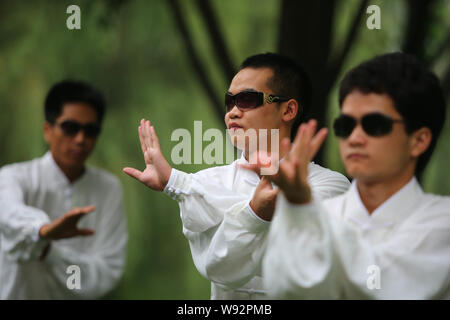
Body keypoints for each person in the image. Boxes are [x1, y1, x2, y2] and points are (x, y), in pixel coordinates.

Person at [123, 53, 350, 299]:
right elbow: (219, 268)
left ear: (288, 109)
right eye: (229, 101)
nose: (232, 112)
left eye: (247, 99)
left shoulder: (331, 185)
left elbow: (301, 257)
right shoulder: (208, 182)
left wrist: (178, 184)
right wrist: (258, 211)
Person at [243, 52, 450, 299]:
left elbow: (380, 286)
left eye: (374, 125)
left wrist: (303, 209)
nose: (354, 138)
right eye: (346, 126)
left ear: (418, 140)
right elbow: (284, 289)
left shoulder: (442, 221)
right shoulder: (315, 212)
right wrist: (297, 205)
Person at [0, 80, 128, 299]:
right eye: (70, 128)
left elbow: (105, 274)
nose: (80, 139)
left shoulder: (108, 189)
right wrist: (42, 231)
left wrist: (49, 252)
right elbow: (8, 218)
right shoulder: (13, 177)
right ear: (48, 130)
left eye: (91, 131)